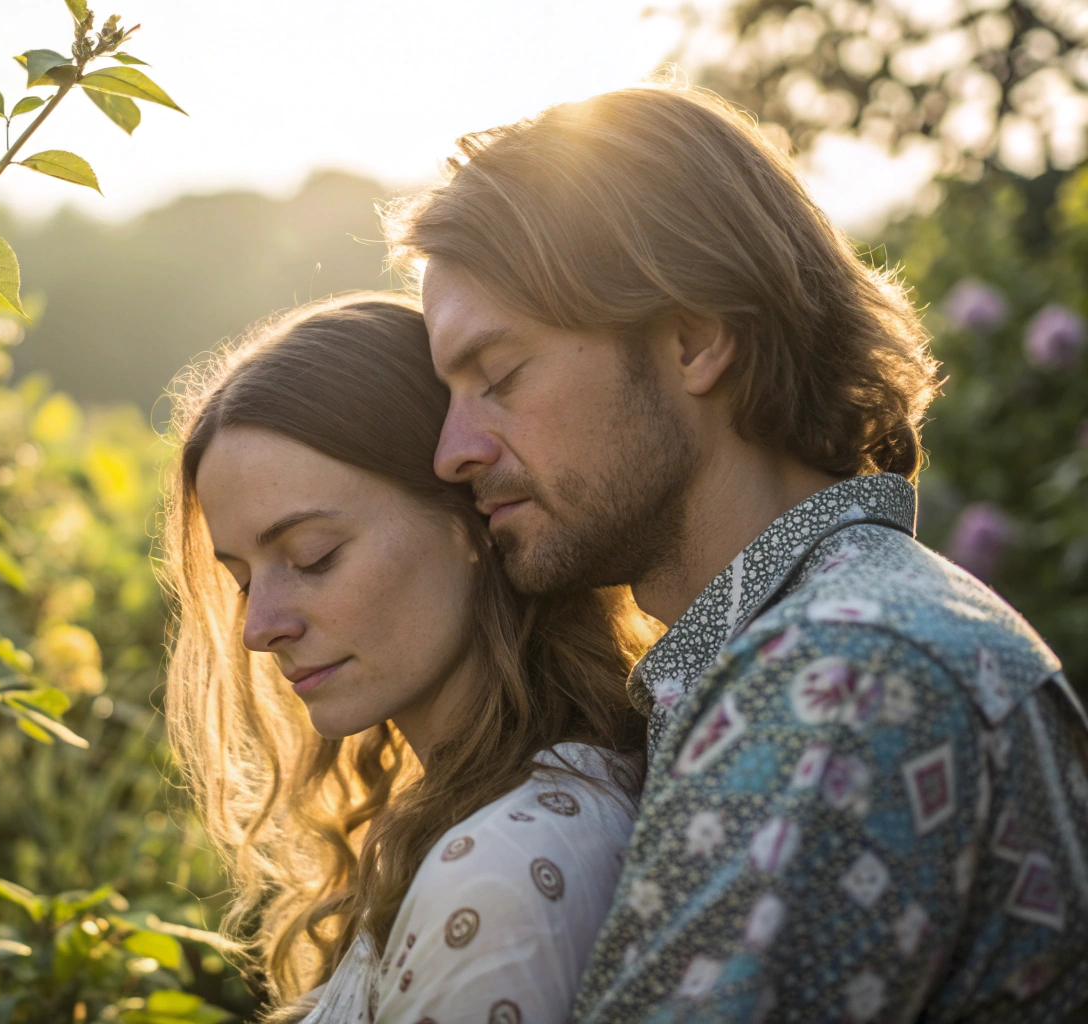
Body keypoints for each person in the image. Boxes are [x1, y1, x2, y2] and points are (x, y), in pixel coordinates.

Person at [387, 83, 1088, 1022]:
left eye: (500, 375)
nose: (453, 450)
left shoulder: (836, 679)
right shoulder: (836, 636)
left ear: (694, 339)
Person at [161, 294, 656, 1024]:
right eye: (241, 580)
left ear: (471, 518)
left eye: (313, 556)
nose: (258, 629)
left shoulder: (501, 871)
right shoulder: (485, 818)